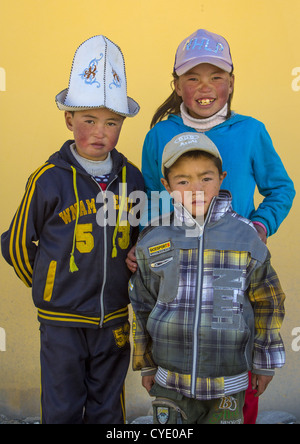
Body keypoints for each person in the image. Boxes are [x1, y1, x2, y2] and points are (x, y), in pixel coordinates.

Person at [127, 29, 295, 423]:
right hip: (178, 268)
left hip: (234, 264)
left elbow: (280, 189)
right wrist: (143, 242)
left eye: (216, 76)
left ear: (231, 82)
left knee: (236, 378)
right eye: (193, 78)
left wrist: (260, 226)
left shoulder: (251, 131)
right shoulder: (159, 134)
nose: (205, 87)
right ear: (177, 84)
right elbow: (151, 196)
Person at [1, 35, 144, 424]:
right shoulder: (48, 179)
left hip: (113, 317)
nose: (100, 132)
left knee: (108, 406)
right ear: (69, 120)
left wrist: (136, 255)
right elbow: (14, 244)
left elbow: (144, 237)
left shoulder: (133, 179)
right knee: (62, 406)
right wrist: (50, 285)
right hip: (61, 321)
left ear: (122, 124)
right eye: (89, 121)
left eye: (112, 122)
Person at [129, 132, 286, 425]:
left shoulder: (246, 236)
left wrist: (264, 364)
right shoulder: (154, 238)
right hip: (170, 382)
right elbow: (142, 305)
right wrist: (146, 364)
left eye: (206, 178)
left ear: (222, 177)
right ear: (167, 185)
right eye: (183, 181)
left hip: (228, 382)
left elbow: (269, 303)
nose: (196, 189)